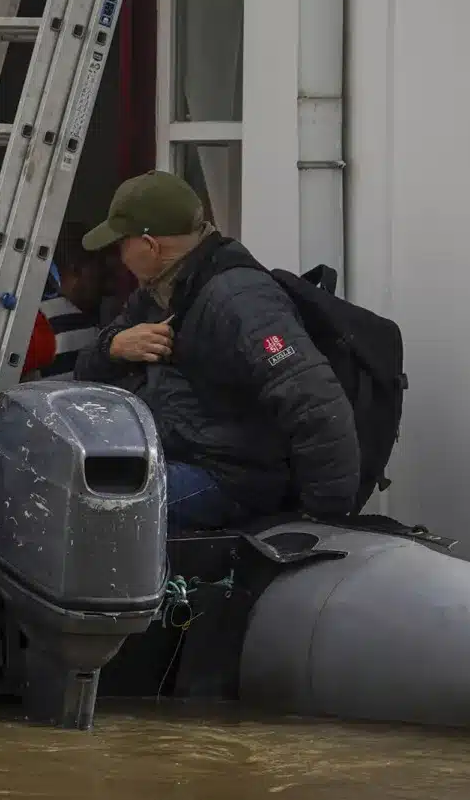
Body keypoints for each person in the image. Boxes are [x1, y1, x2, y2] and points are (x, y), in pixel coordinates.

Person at [71, 171, 361, 531]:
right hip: (172, 457)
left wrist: (321, 521)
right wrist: (112, 346)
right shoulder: (156, 294)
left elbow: (315, 401)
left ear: (150, 246)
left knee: (91, 516)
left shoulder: (240, 299)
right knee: (59, 488)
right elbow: (85, 373)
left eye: (121, 244)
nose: (118, 256)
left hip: (230, 480)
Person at [33, 223, 113, 382]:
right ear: (76, 269)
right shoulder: (83, 327)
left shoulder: (29, 316)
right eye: (99, 270)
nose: (105, 282)